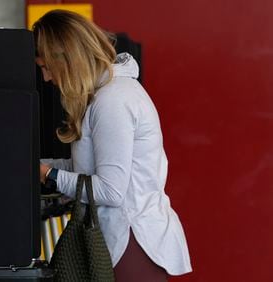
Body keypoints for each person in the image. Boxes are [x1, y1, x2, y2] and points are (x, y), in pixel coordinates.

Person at [33, 10, 192, 281]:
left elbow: (110, 190)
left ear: (68, 58)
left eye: (47, 67)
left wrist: (50, 175)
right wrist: (36, 166)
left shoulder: (113, 101)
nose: (47, 78)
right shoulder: (104, 96)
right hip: (121, 243)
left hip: (131, 242)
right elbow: (88, 168)